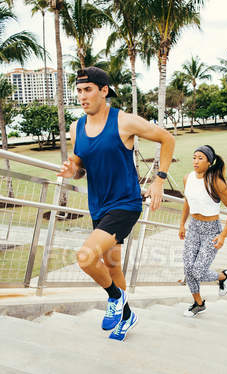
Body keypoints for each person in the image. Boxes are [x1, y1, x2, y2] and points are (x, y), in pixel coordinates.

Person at [57, 66, 175, 341]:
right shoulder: (77, 128)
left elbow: (166, 139)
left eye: (87, 90)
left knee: (86, 257)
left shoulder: (124, 122)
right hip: (98, 206)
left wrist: (159, 180)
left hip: (125, 203)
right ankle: (126, 316)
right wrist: (70, 171)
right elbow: (80, 166)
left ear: (104, 91)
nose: (82, 96)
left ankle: (114, 297)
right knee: (112, 267)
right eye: (78, 91)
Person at [179, 145, 227, 317]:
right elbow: (187, 202)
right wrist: (182, 224)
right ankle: (198, 303)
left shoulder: (216, 182)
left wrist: (223, 235)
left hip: (211, 230)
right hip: (193, 227)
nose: (196, 161)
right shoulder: (187, 178)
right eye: (194, 157)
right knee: (188, 268)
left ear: (210, 162)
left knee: (197, 271)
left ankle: (223, 277)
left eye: (200, 158)